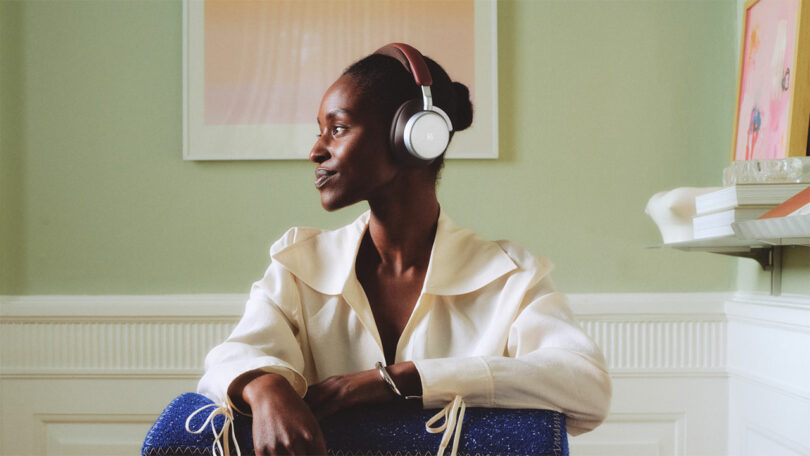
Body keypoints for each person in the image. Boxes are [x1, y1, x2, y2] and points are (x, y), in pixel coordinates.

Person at [196, 43, 611, 456]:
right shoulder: (299, 264)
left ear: (415, 136)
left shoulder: (510, 278)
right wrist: (265, 388)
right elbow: (231, 357)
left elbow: (587, 386)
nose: (316, 151)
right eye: (319, 131)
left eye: (337, 128)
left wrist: (401, 379)